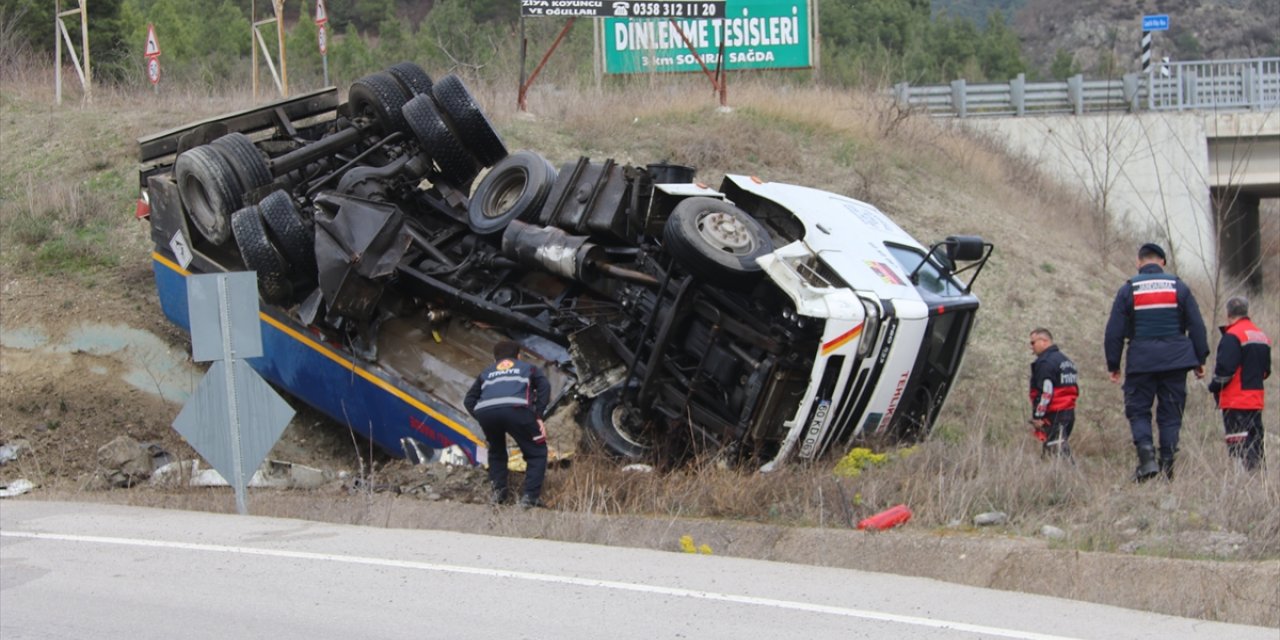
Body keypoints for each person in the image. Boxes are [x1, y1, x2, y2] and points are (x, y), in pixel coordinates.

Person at [1104, 243, 1209, 482]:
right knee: (1171, 413)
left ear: (1139, 263)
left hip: (1141, 360)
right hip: (1176, 360)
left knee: (1139, 410)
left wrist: (1114, 364)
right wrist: (1199, 359)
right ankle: (1168, 465)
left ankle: (1147, 459)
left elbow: (1114, 331)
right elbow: (1196, 325)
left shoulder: (1128, 289)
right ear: (1162, 262)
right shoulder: (1179, 287)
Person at [464, 340, 552, 508]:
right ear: (518, 355)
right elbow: (545, 387)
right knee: (537, 452)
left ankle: (499, 495)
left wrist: (482, 417)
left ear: (494, 358)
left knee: (496, 452)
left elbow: (469, 400)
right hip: (517, 410)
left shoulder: (486, 372)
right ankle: (530, 497)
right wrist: (538, 415)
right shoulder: (528, 368)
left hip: (486, 412)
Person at [1207, 296, 1272, 471]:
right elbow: (1266, 371)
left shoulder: (1232, 335)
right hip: (1255, 399)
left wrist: (1213, 386)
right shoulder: (1260, 335)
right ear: (1246, 311)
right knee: (1256, 445)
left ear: (1228, 314)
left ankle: (1241, 485)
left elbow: (1225, 371)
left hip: (1235, 400)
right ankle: (1259, 482)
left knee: (1238, 446)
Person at [1028, 328, 1079, 459]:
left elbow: (1046, 391)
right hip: (1068, 413)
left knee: (1057, 454)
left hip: (1054, 414)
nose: (1031, 347)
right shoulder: (1066, 361)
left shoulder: (1045, 362)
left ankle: (1070, 478)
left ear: (1044, 341)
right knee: (1052, 452)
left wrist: (1038, 416)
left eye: (1033, 343)